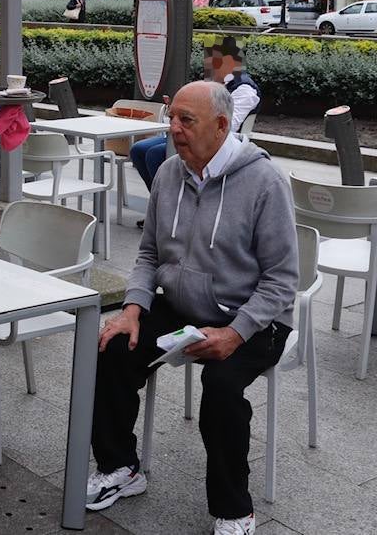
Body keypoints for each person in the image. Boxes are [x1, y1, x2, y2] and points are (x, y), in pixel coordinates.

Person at [86, 81, 297, 535]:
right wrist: (133, 309)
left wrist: (236, 333)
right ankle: (120, 467)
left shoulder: (264, 181)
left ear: (222, 125)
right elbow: (148, 254)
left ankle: (234, 508)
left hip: (254, 317)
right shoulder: (168, 172)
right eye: (172, 117)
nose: (174, 129)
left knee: (221, 388)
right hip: (183, 305)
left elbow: (281, 281)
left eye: (187, 120)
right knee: (111, 346)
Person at [132, 35, 261, 197]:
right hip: (191, 130)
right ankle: (160, 201)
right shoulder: (214, 83)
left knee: (154, 153)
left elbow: (229, 124)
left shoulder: (245, 89)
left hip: (216, 139)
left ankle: (173, 200)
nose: (209, 65)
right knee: (138, 149)